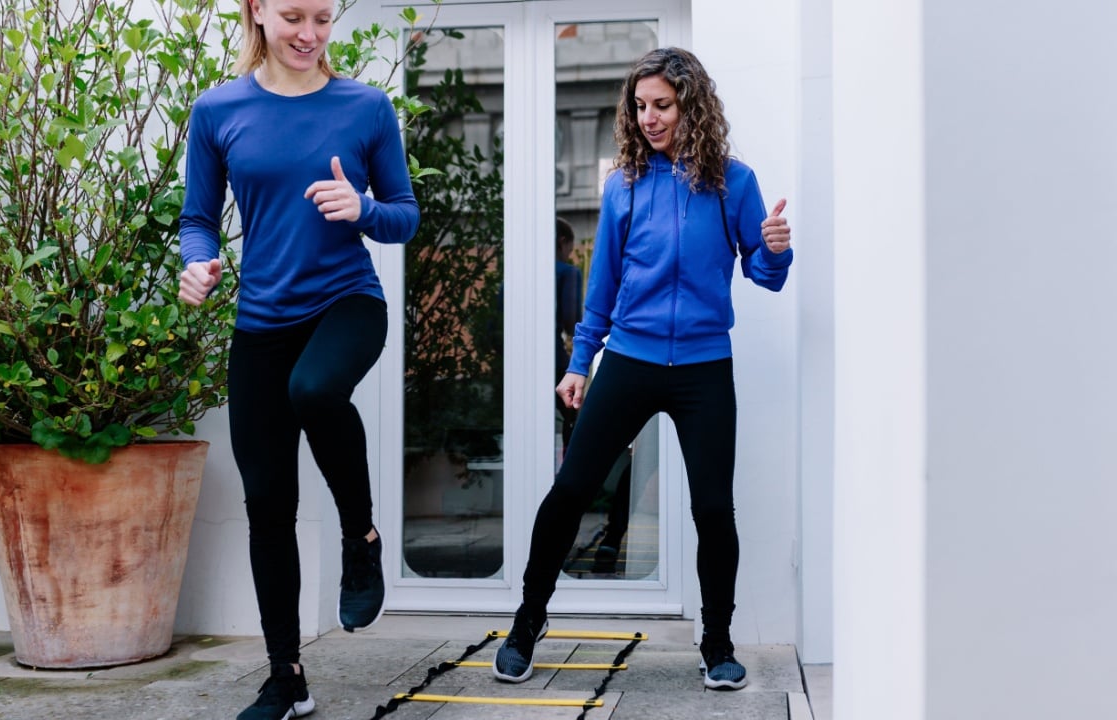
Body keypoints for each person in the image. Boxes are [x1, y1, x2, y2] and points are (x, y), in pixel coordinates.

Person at [493, 46, 792, 691]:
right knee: (572, 489)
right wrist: (580, 363)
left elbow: (762, 277)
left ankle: (717, 644)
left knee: (714, 509)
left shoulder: (733, 183)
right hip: (629, 356)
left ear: (693, 105)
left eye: (663, 105)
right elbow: (601, 285)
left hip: (704, 368)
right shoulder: (624, 184)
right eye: (640, 106)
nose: (649, 118)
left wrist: (773, 251)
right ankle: (526, 622)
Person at [176, 0, 419, 717]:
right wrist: (198, 263)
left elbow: (403, 211)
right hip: (261, 324)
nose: (309, 33)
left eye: (321, 16)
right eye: (292, 16)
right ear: (256, 11)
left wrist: (363, 209)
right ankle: (286, 679)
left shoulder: (365, 108)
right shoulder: (217, 110)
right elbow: (197, 217)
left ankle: (360, 534)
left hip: (347, 303)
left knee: (314, 390)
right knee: (267, 507)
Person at [554, 217, 583, 453]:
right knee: (573, 411)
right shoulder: (567, 273)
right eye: (570, 251)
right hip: (553, 356)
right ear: (562, 243)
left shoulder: (512, 276)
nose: (568, 256)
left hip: (513, 360)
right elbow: (571, 321)